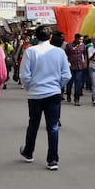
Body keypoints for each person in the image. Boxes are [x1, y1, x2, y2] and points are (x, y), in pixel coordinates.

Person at [19, 26, 72, 170]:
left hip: (35, 94)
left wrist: (30, 87)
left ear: (36, 37)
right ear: (50, 37)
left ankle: (28, 152)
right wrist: (57, 86)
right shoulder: (59, 52)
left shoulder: (30, 51)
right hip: (53, 93)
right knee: (53, 127)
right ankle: (52, 160)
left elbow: (24, 75)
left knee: (33, 124)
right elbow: (67, 75)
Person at [65, 33, 88, 106]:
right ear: (76, 38)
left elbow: (85, 54)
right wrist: (67, 63)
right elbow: (65, 55)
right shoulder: (69, 45)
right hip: (71, 67)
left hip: (79, 67)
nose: (81, 41)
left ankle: (76, 99)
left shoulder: (83, 46)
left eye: (82, 39)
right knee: (69, 83)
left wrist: (85, 63)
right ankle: (68, 94)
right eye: (80, 39)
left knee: (78, 84)